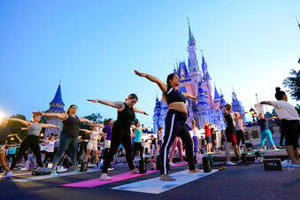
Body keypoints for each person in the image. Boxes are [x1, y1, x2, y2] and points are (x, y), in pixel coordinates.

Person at [135, 70, 199, 181]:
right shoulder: (168, 89)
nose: (178, 79)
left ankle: (192, 168)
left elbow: (184, 94)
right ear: (170, 80)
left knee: (189, 143)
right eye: (175, 77)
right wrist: (145, 75)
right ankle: (163, 173)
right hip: (173, 117)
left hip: (182, 121)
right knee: (167, 144)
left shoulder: (178, 92)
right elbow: (157, 81)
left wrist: (191, 96)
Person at [87, 93, 148, 180]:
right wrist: (99, 100)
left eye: (135, 102)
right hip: (118, 130)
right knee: (112, 150)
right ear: (129, 99)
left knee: (129, 150)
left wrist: (144, 112)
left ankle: (132, 169)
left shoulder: (132, 108)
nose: (133, 104)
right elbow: (110, 103)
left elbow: (137, 110)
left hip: (126, 131)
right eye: (132, 101)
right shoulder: (121, 105)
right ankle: (103, 173)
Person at [40, 105, 93, 175]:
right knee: (60, 152)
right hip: (66, 136)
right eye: (73, 108)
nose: (75, 110)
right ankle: (53, 169)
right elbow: (55, 114)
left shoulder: (77, 118)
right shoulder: (66, 116)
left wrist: (91, 122)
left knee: (74, 154)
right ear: (69, 109)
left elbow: (85, 119)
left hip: (74, 137)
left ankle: (76, 168)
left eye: (76, 108)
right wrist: (43, 114)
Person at [260, 87, 300, 164]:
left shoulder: (286, 103)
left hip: (294, 123)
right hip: (288, 123)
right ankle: (293, 159)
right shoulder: (280, 103)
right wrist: (264, 102)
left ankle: (297, 158)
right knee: (289, 142)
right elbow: (272, 102)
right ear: (284, 96)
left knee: (294, 143)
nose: (287, 96)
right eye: (286, 95)